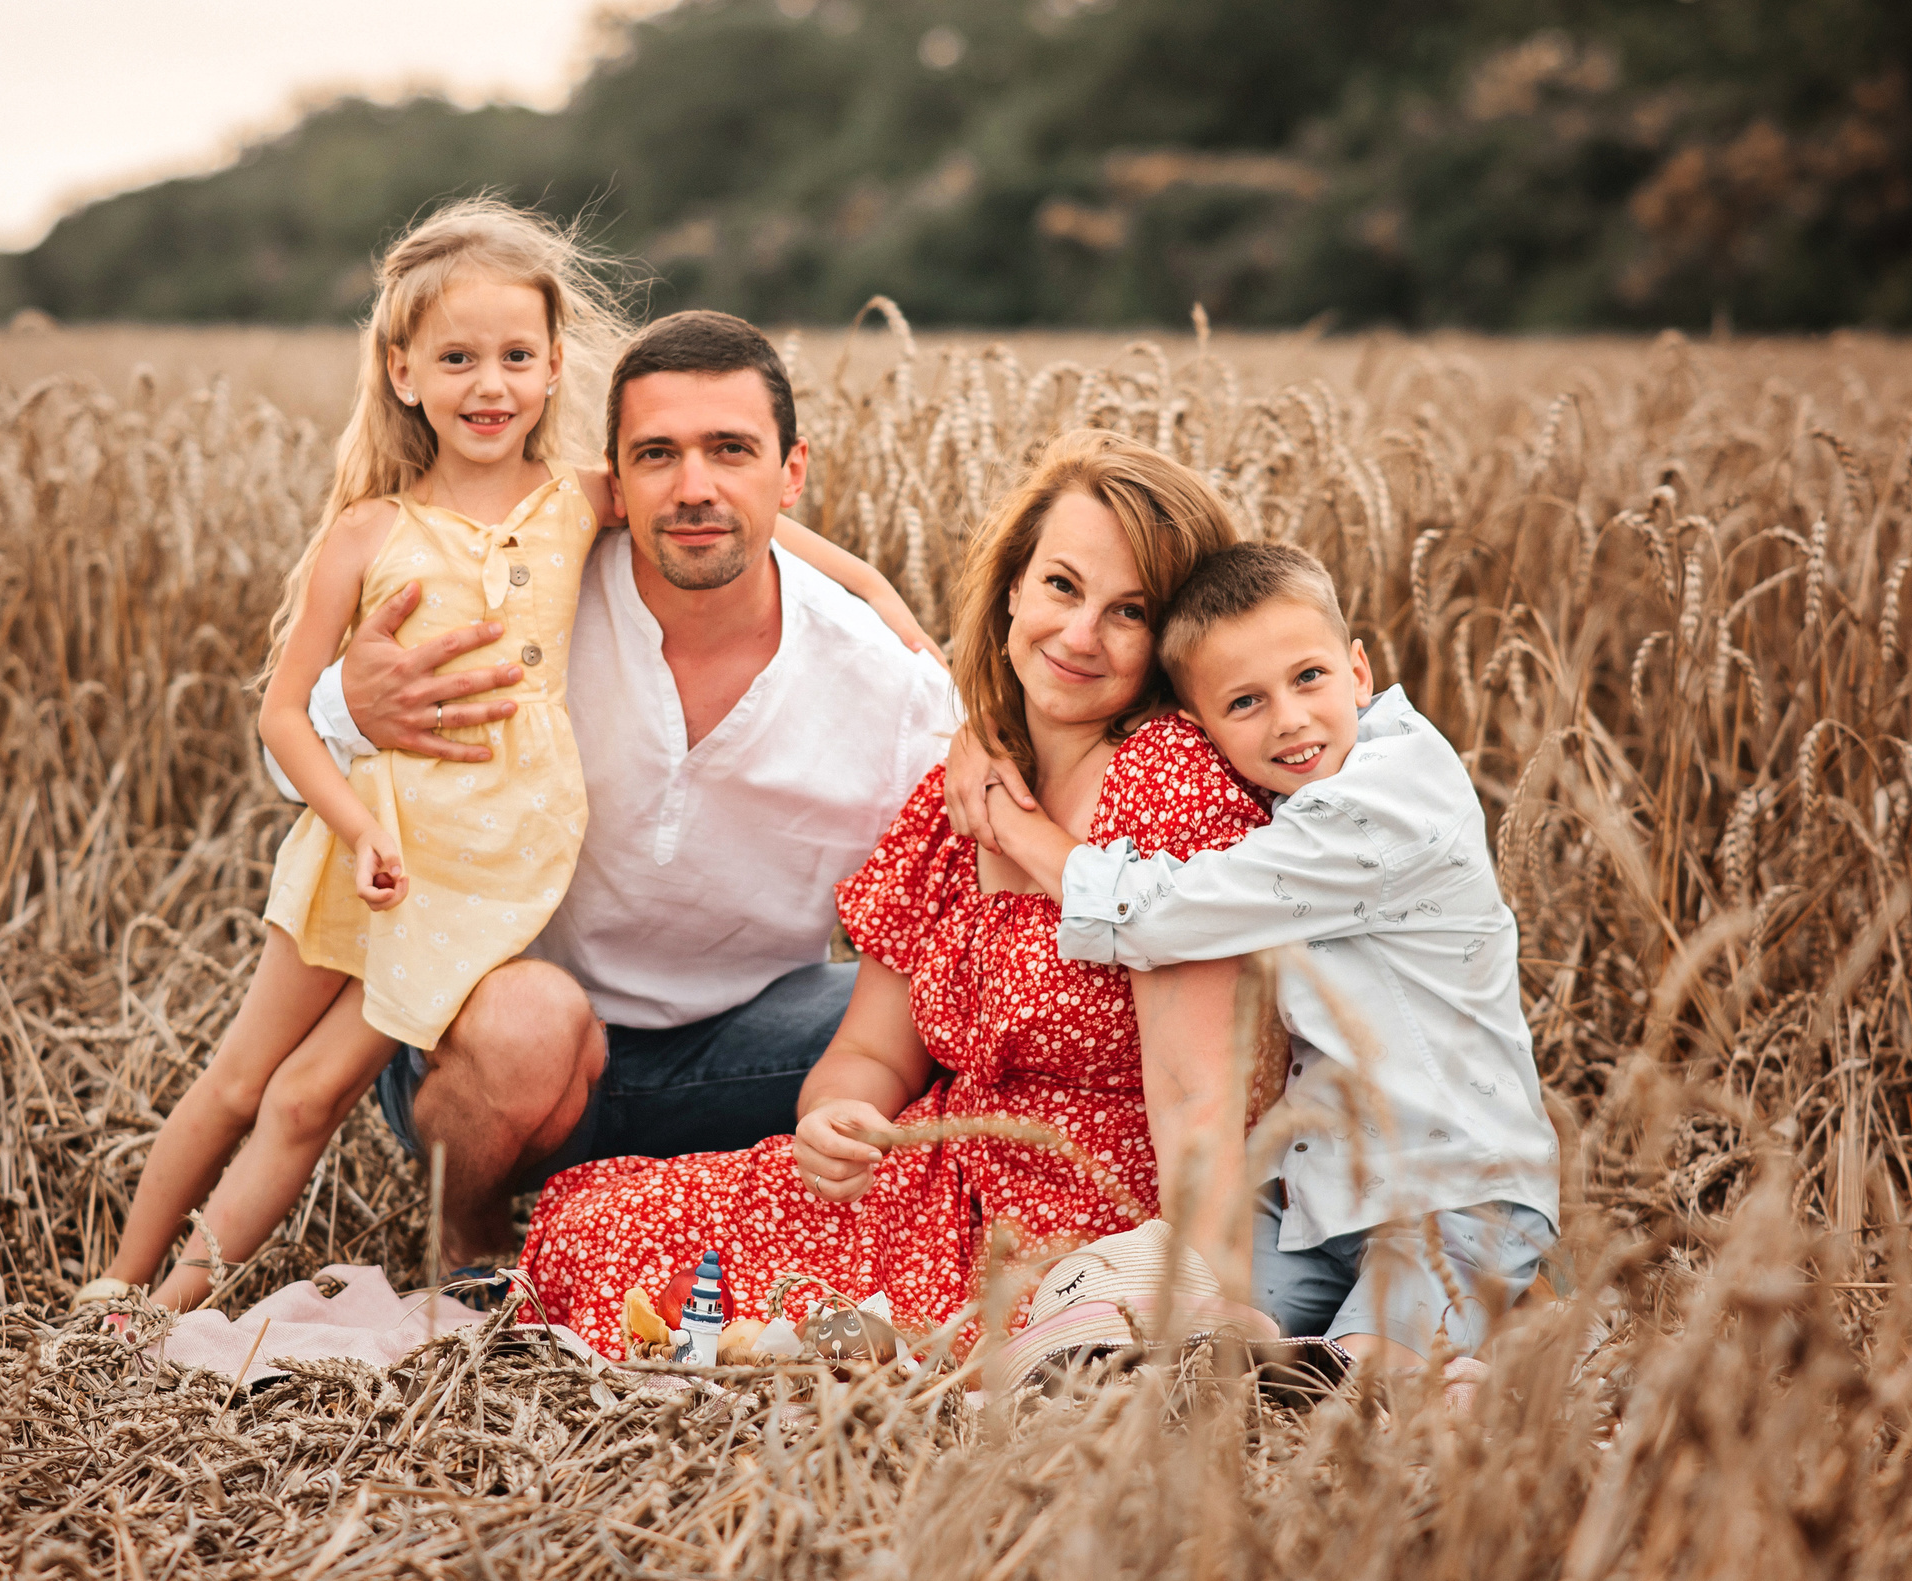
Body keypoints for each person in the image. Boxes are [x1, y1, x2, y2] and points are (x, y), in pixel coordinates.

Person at [77, 209, 922, 1314]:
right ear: (402, 369)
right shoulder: (418, 535)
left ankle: (183, 1292)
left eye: (516, 357)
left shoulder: (589, 521)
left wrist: (885, 604)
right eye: (459, 357)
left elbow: (733, 517)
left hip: (611, 969)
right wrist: (354, 749)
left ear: (555, 366)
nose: (491, 384)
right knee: (266, 1077)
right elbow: (289, 720)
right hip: (440, 922)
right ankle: (153, 1285)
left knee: (919, 1013)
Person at [516, 435, 1296, 1357]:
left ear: (1169, 642)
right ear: (1012, 586)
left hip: (1092, 1212)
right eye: (1061, 586)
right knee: (593, 1220)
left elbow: (1197, 1089)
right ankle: (819, 1339)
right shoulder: (952, 799)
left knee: (977, 1341)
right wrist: (834, 1121)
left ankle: (847, 1345)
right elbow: (869, 1054)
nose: (1080, 634)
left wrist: (1195, 1290)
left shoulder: (1166, 781)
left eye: (1129, 611)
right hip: (934, 1178)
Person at [297, 306, 960, 1280]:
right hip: (497, 1042)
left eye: (730, 450)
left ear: (792, 471)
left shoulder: (889, 689)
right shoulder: (527, 600)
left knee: (941, 1006)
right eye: (658, 454)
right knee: (532, 1019)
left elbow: (966, 905)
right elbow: (293, 764)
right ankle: (468, 1232)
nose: (694, 488)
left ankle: (746, 1211)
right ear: (613, 477)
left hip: (746, 1050)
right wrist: (348, 710)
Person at [981, 541, 1562, 1381]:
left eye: (1310, 678)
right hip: (1317, 1198)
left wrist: (1019, 828)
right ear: (1200, 727)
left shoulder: (1389, 801)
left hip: (1457, 1193)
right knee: (1192, 1334)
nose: (1288, 718)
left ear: (1359, 671)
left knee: (1361, 1378)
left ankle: (1460, 1376)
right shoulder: (1287, 791)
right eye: (1245, 701)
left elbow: (1168, 911)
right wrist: (978, 736)